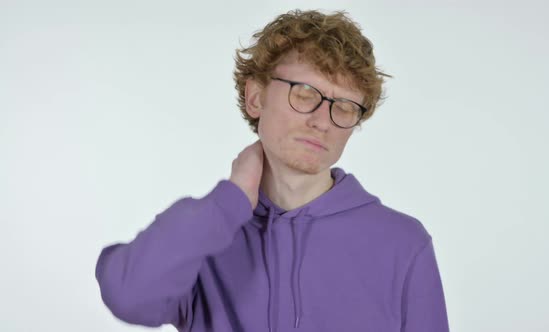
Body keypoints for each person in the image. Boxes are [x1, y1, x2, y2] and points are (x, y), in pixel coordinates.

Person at [95, 9, 449, 332]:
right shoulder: (205, 238)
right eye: (305, 93)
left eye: (343, 106)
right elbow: (128, 295)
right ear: (256, 98)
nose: (322, 121)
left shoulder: (402, 244)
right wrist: (229, 201)